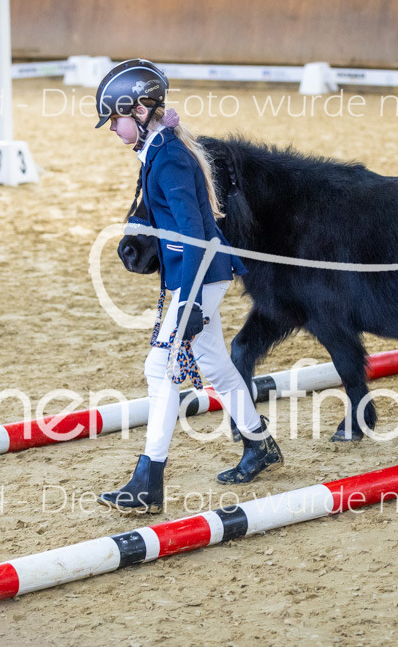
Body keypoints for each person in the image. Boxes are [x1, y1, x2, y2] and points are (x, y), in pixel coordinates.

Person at [94, 59, 283, 514]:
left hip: (200, 277)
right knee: (215, 366)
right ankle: (259, 443)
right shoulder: (158, 151)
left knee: (160, 370)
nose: (112, 128)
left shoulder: (171, 159)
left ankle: (148, 480)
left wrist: (193, 301)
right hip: (191, 276)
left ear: (139, 111)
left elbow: (196, 233)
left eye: (115, 118)